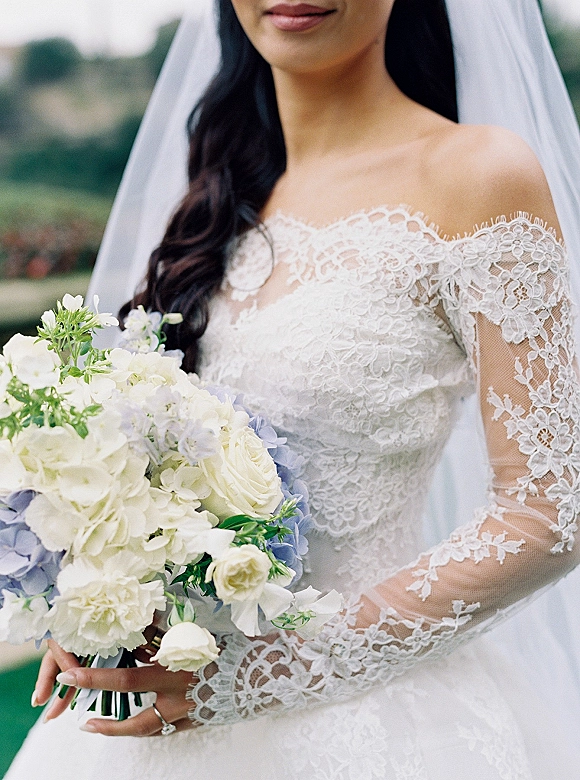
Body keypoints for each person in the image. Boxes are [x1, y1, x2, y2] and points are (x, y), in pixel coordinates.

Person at [6, 0, 580, 777]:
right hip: (143, 715)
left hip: (365, 719)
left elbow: (551, 505)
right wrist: (95, 599)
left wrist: (271, 674)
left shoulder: (476, 175)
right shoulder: (212, 195)